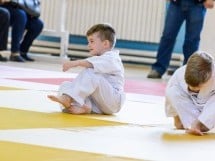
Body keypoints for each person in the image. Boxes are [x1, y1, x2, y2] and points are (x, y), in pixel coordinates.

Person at [47, 23, 126, 115]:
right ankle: (83, 107)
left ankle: (68, 98)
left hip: (114, 101)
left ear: (105, 43)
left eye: (92, 41)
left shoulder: (112, 58)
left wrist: (76, 63)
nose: (88, 45)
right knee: (66, 85)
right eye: (88, 42)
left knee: (90, 73)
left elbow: (91, 64)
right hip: (99, 104)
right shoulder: (99, 59)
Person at [147, 0, 214, 79]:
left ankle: (189, 72)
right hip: (176, 3)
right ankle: (158, 68)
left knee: (192, 40)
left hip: (197, 5)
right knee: (167, 36)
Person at [165, 51, 215, 136]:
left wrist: (201, 121)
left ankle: (199, 124)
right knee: (172, 92)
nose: (194, 90)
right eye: (191, 87)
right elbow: (170, 98)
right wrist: (176, 118)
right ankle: (192, 124)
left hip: (209, 110)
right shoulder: (179, 75)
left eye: (198, 88)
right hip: (191, 107)